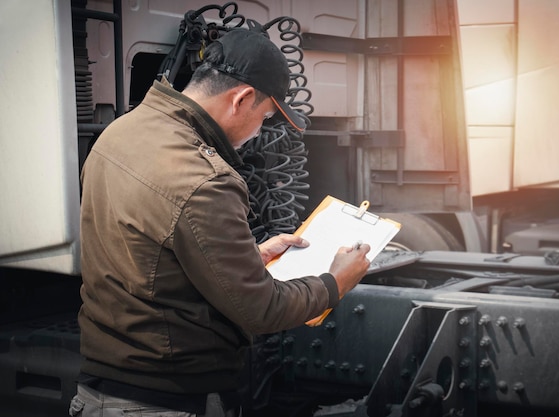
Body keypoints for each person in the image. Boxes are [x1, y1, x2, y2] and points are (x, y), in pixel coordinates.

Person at [69, 28, 371, 417]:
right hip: (163, 400)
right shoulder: (206, 179)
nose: (259, 131)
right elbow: (261, 310)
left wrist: (250, 256)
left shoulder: (120, 134)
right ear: (242, 99)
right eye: (263, 117)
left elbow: (148, 251)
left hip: (99, 391)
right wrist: (335, 282)